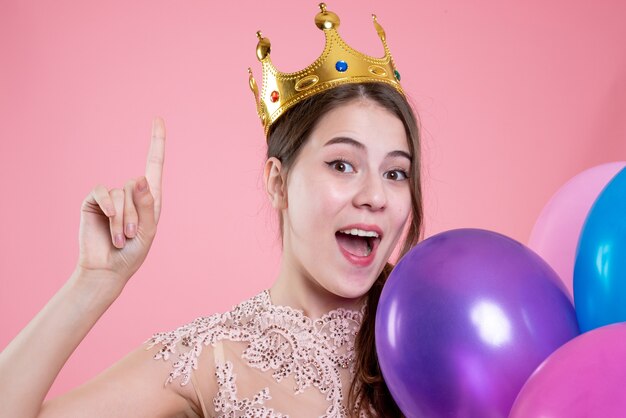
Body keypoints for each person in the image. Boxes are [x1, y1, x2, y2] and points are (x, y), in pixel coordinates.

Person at [0, 3, 422, 417]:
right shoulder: (209, 359)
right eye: (342, 165)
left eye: (396, 173)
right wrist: (92, 283)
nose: (376, 196)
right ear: (278, 183)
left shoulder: (431, 333)